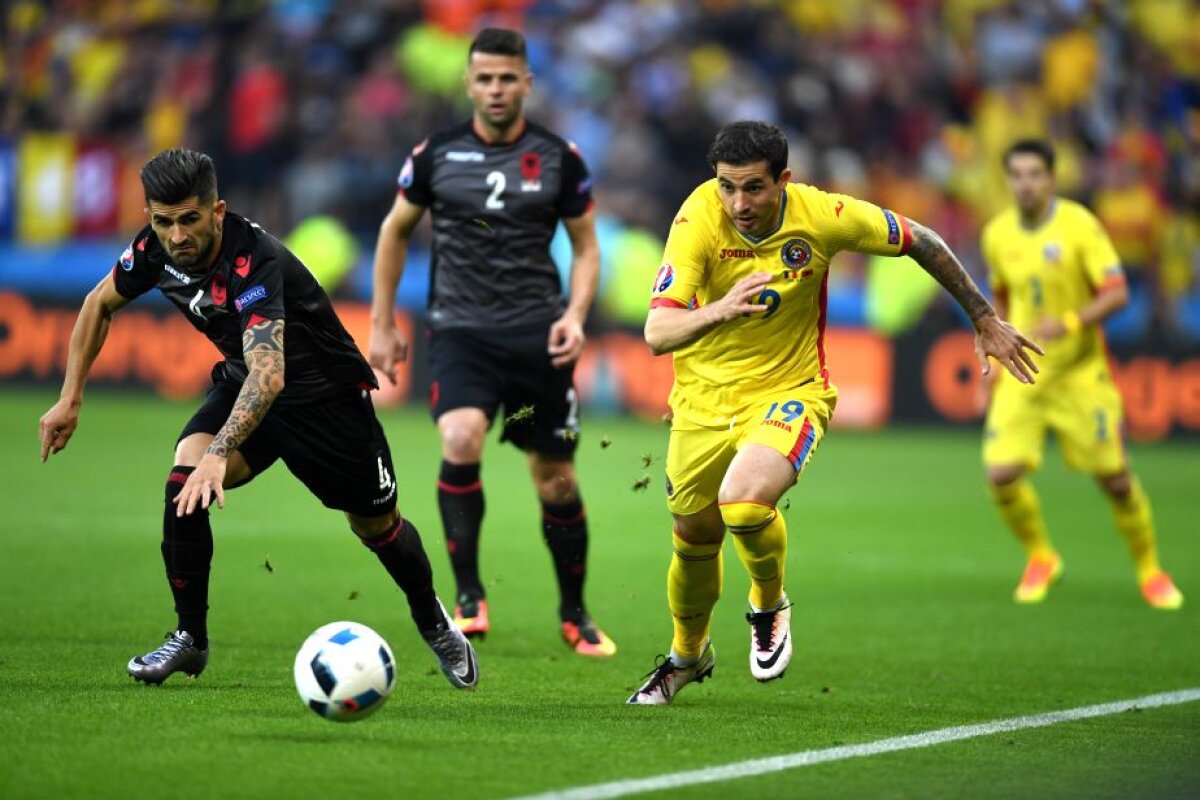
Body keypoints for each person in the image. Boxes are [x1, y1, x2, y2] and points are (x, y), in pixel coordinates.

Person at [627, 121, 1043, 705]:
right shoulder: (698, 217)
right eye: (727, 187)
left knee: (744, 503)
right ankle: (687, 657)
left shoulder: (823, 216)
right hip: (700, 401)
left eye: (752, 188)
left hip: (789, 390)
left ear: (785, 182)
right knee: (692, 538)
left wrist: (982, 316)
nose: (738, 204)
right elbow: (657, 329)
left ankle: (768, 604)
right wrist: (719, 310)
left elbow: (921, 238)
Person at [38, 149, 479, 688]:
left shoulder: (253, 259)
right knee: (185, 482)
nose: (176, 236)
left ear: (217, 211)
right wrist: (70, 399)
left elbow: (271, 373)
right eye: (163, 221)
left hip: (325, 403)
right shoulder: (153, 250)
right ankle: (190, 639)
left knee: (377, 528)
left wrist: (219, 455)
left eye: (189, 219)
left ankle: (434, 622)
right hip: (245, 384)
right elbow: (97, 304)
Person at [369, 28, 614, 656]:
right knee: (459, 436)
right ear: (467, 83)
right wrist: (382, 323)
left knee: (554, 478)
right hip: (461, 333)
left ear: (527, 83)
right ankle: (469, 595)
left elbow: (587, 248)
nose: (496, 89)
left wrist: (577, 315)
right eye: (485, 78)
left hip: (539, 339)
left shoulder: (561, 157)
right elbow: (394, 233)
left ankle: (575, 612)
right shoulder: (434, 155)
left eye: (508, 78)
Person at [980, 139, 1183, 610]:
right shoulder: (997, 233)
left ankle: (1151, 571)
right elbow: (1001, 299)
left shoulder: (1080, 226)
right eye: (1017, 175)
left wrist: (1068, 323)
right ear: (1008, 181)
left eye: (1034, 174)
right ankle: (1041, 557)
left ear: (1051, 178)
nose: (1025, 183)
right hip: (1025, 369)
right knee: (1000, 473)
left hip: (1079, 372)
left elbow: (1117, 294)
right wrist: (995, 356)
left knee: (1115, 480)